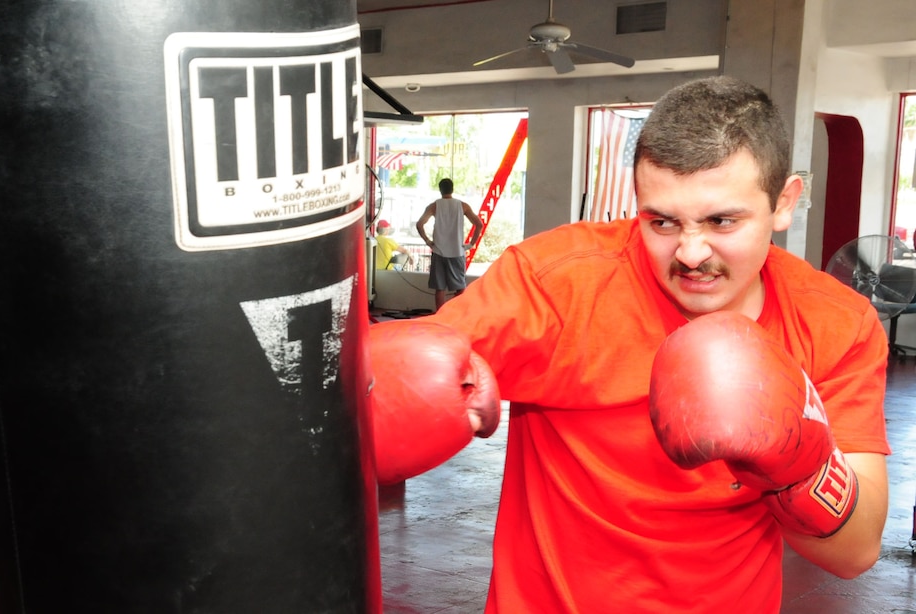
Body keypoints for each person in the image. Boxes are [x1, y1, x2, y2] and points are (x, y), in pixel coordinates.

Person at [368, 76, 890, 613]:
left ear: (784, 203)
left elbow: (855, 552)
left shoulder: (834, 323)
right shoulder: (556, 284)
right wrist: (396, 396)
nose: (690, 252)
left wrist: (795, 465)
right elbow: (380, 391)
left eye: (721, 221)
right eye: (662, 221)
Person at [416, 178, 484, 311]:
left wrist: (428, 241)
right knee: (460, 288)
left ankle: (441, 316)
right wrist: (471, 244)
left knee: (440, 288)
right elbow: (479, 224)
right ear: (452, 189)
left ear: (440, 190)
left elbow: (420, 224)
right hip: (457, 252)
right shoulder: (463, 205)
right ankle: (455, 315)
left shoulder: (434, 206)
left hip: (438, 251)